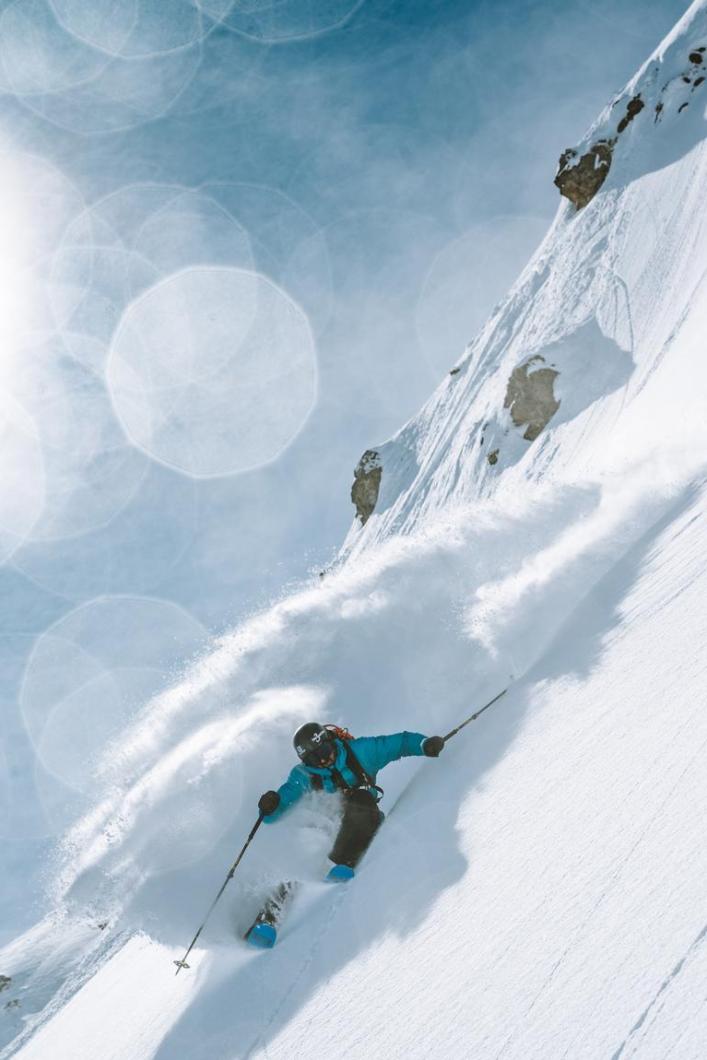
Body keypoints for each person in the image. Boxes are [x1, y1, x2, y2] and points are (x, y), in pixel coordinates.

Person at [258, 722, 445, 881]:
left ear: (331, 742)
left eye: (324, 751)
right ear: (306, 761)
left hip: (365, 818)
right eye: (315, 758)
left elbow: (399, 743)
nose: (324, 760)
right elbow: (277, 809)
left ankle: (340, 863)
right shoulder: (304, 775)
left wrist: (423, 744)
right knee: (305, 842)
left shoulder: (360, 751)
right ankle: (271, 912)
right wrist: (271, 806)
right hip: (331, 830)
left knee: (360, 796)